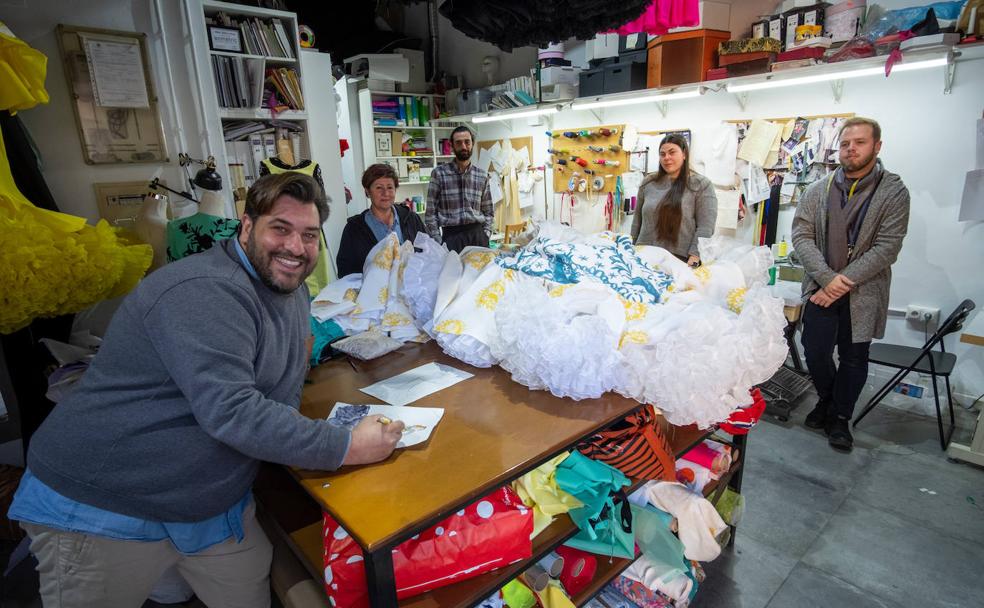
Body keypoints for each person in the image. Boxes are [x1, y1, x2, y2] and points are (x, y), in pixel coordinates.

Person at [8, 173, 405, 607]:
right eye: (280, 228)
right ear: (247, 225)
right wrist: (346, 445)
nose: (296, 247)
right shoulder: (205, 289)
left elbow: (279, 391)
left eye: (309, 235)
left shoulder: (289, 291)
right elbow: (234, 412)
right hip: (105, 505)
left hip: (210, 502)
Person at [792, 117, 910, 452]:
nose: (851, 149)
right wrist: (828, 281)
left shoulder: (893, 191)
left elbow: (888, 247)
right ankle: (827, 401)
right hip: (821, 288)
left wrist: (842, 284)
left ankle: (840, 418)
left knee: (854, 356)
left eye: (859, 142)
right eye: (845, 143)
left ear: (877, 146)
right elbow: (801, 235)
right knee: (813, 349)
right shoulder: (820, 189)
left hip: (863, 293)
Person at [631, 133, 717, 266]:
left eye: (672, 152)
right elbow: (637, 220)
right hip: (643, 255)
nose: (667, 158)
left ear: (684, 154)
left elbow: (706, 228)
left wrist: (695, 257)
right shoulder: (649, 182)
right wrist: (630, 247)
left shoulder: (701, 184)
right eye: (662, 154)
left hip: (678, 260)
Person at [336, 163, 426, 277]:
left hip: (413, 290)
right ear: (367, 191)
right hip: (373, 293)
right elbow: (345, 272)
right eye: (379, 188)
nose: (386, 193)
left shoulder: (411, 219)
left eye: (390, 187)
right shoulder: (353, 229)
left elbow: (428, 254)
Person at [424, 125, 493, 252]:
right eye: (459, 143)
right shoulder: (439, 174)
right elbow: (430, 213)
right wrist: (438, 241)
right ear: (452, 146)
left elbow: (488, 211)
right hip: (451, 237)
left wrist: (486, 234)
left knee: (482, 272)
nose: (464, 146)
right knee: (453, 272)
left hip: (478, 236)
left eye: (467, 142)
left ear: (472, 143)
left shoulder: (482, 176)